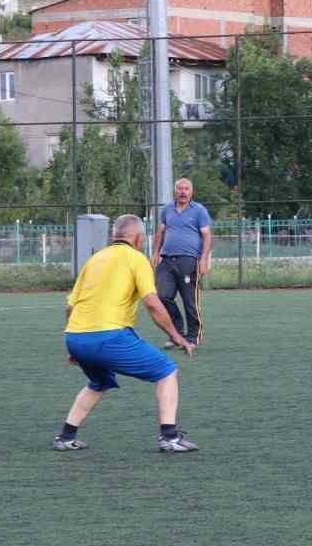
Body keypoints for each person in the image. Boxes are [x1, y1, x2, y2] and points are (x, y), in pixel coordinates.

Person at [53, 213, 198, 453]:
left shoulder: (95, 259)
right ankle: (170, 437)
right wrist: (177, 336)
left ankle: (66, 437)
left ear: (114, 235)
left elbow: (70, 306)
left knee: (98, 381)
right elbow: (152, 303)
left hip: (75, 336)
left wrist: (75, 345)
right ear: (139, 238)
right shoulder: (136, 258)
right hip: (107, 335)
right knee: (167, 371)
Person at [152, 177, 212, 346]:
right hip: (167, 260)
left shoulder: (199, 210)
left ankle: (194, 337)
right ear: (175, 191)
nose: (183, 192)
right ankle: (177, 334)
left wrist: (204, 259)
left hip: (189, 260)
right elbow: (161, 232)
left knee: (189, 300)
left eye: (186, 189)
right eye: (180, 188)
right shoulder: (167, 210)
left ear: (191, 192)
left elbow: (207, 235)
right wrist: (155, 252)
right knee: (162, 296)